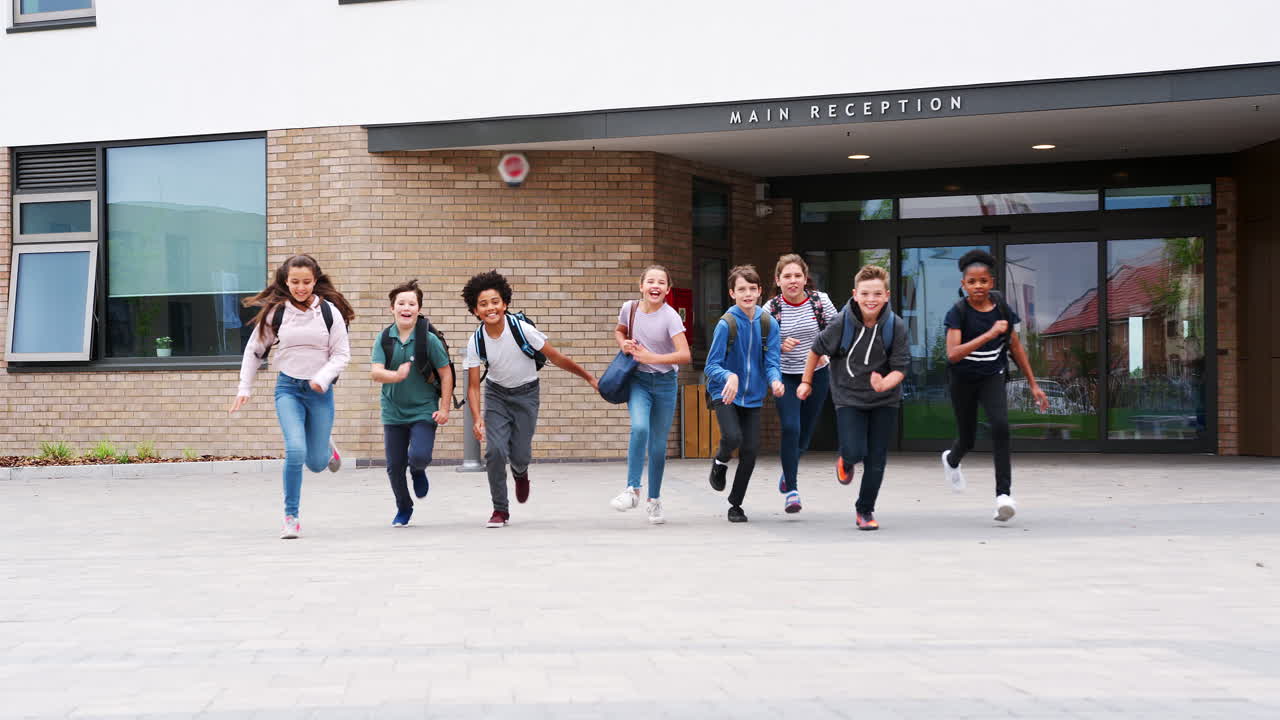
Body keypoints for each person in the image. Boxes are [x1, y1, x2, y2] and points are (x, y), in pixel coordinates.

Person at [461, 270, 598, 528]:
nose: (490, 308)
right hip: (496, 394)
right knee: (495, 451)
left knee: (520, 454)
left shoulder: (521, 329)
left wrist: (588, 377)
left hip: (526, 393)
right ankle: (500, 510)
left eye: (495, 302)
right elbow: (473, 387)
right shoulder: (475, 341)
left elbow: (557, 357)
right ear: (475, 311)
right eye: (483, 304)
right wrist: (478, 418)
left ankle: (521, 472)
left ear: (505, 304)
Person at [230, 254, 354, 539]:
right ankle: (291, 516)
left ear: (315, 281)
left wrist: (322, 378)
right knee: (295, 451)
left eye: (307, 282)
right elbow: (254, 351)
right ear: (286, 282)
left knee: (317, 463)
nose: (301, 287)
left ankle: (327, 449)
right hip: (288, 389)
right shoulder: (278, 312)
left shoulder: (329, 312)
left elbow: (341, 354)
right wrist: (244, 388)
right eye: (295, 282)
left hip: (320, 393)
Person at [942, 249, 1049, 522]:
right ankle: (952, 460)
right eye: (972, 282)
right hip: (963, 380)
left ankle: (1003, 496)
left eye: (984, 281)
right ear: (963, 285)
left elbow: (1014, 347)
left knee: (1001, 427)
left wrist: (1034, 385)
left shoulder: (1001, 307)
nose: (978, 286)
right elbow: (953, 354)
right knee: (967, 438)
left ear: (991, 283)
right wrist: (989, 333)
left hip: (992, 375)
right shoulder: (958, 312)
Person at [799, 265, 908, 530]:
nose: (871, 299)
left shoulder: (895, 326)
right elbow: (815, 349)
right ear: (855, 294)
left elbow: (901, 367)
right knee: (856, 450)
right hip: (848, 396)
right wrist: (806, 381)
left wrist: (884, 384)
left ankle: (865, 510)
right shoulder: (842, 322)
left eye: (877, 294)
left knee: (877, 458)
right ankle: (846, 459)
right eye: (865, 293)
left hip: (885, 399)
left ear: (887, 295)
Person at [609, 265, 691, 524]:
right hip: (639, 381)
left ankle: (654, 500)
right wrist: (624, 344)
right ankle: (632, 490)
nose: (655, 286)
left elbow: (685, 355)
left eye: (661, 282)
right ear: (641, 286)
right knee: (640, 428)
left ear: (668, 289)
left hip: (666, 383)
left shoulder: (670, 317)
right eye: (651, 281)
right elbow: (620, 330)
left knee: (657, 447)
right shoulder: (629, 308)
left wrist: (650, 357)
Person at [704, 265, 784, 523]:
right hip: (724, 391)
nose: (747, 294)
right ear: (732, 293)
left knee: (750, 450)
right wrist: (729, 376)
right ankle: (720, 460)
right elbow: (711, 365)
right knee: (732, 436)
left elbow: (772, 362)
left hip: (753, 395)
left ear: (760, 291)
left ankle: (735, 504)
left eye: (752, 289)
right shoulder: (726, 324)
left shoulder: (768, 323)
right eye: (742, 289)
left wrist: (775, 381)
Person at [370, 279, 453, 528]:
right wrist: (396, 375)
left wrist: (445, 408)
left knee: (418, 456)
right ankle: (404, 507)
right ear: (392, 308)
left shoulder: (429, 340)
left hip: (423, 409)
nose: (406, 307)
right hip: (393, 411)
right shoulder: (384, 338)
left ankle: (418, 470)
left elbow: (446, 373)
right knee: (395, 467)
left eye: (412, 303)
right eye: (401, 303)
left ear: (418, 308)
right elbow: (376, 372)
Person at [765, 253, 838, 514]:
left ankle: (788, 470)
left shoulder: (821, 302)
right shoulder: (770, 309)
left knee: (805, 435)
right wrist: (777, 345)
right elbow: (759, 346)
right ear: (778, 280)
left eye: (797, 276)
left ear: (806, 278)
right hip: (785, 374)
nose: (793, 281)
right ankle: (792, 490)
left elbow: (838, 330)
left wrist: (827, 352)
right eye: (787, 276)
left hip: (817, 373)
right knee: (790, 427)